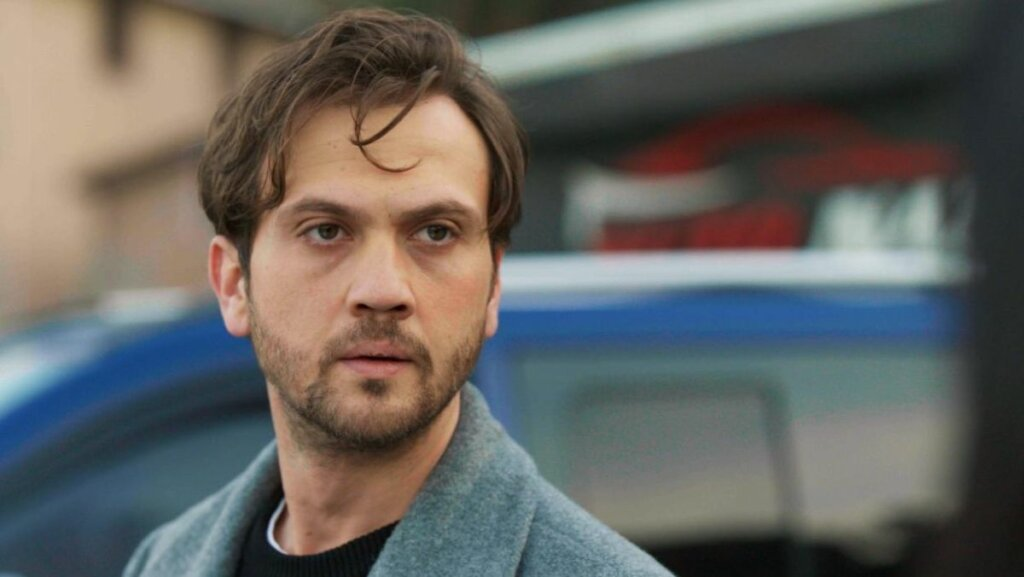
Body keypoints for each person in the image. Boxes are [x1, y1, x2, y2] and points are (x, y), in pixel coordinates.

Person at [122, 8, 671, 577]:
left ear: (493, 286)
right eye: (326, 231)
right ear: (234, 283)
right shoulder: (162, 563)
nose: (383, 290)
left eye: (435, 233)